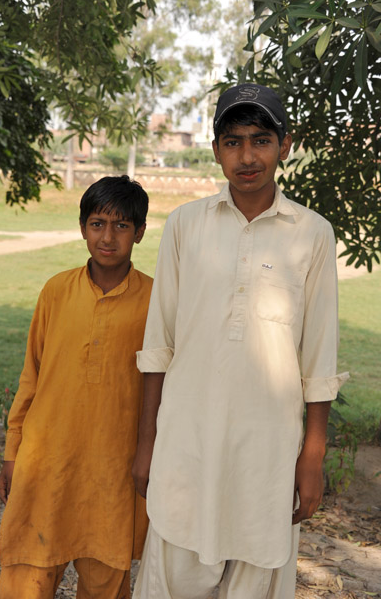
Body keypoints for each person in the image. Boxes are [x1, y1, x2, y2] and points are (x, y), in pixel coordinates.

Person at [131, 83, 349, 599]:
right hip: (187, 439)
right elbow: (158, 344)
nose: (247, 157)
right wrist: (147, 445)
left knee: (258, 569)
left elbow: (319, 355)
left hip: (267, 446)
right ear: (215, 150)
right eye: (232, 142)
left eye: (260, 140)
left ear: (285, 145)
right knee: (174, 571)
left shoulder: (313, 233)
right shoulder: (186, 225)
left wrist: (311, 456)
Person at [0, 175, 152, 599]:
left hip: (112, 475)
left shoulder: (155, 302)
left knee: (106, 577)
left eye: (122, 226)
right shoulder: (56, 292)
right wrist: (14, 451)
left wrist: (148, 454)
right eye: (98, 223)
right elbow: (31, 377)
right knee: (26, 578)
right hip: (46, 464)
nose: (108, 237)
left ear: (139, 232)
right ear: (83, 227)